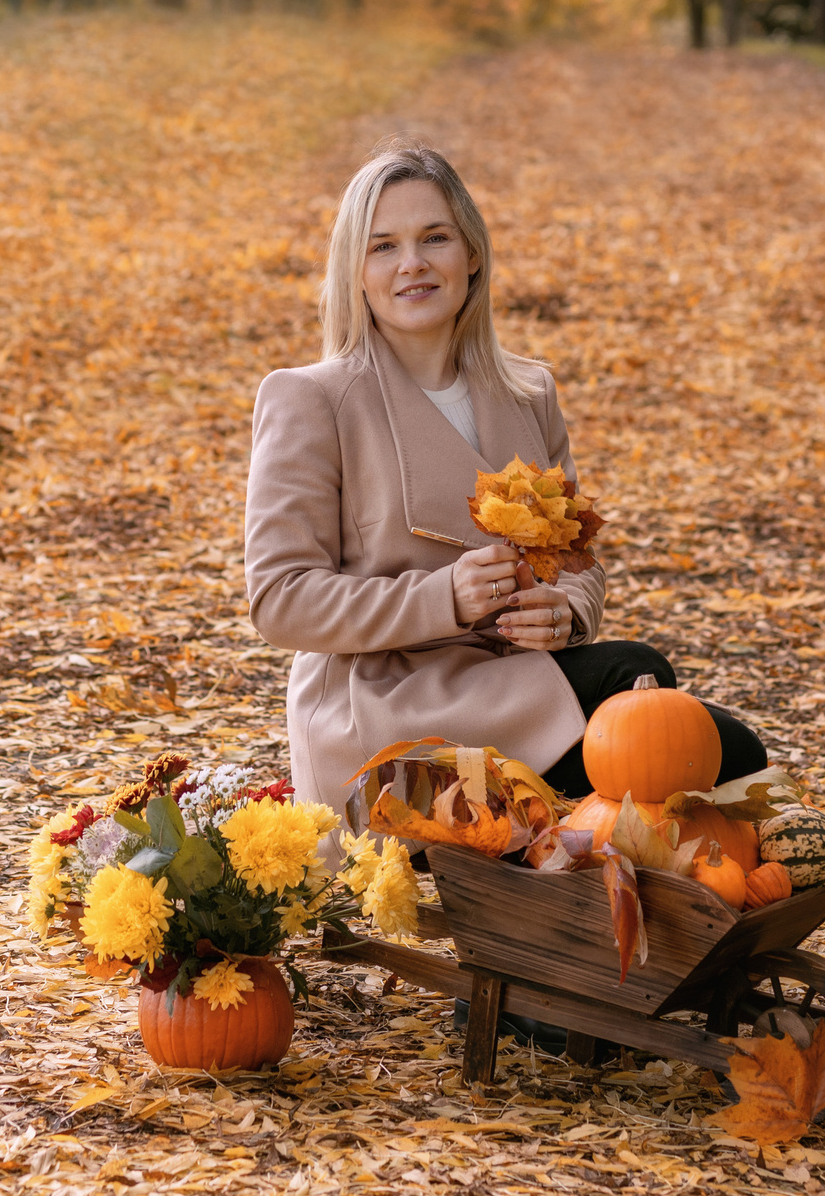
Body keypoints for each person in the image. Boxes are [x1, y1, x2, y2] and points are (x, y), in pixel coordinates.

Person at [242, 138, 766, 815]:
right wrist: (443, 597)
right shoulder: (311, 399)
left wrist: (565, 611)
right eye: (383, 246)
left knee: (694, 723)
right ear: (356, 270)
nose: (413, 264)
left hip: (508, 677)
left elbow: (578, 559)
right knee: (669, 717)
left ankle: (620, 899)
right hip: (388, 704)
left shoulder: (527, 392)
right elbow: (280, 598)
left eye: (434, 237)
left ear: (473, 254)